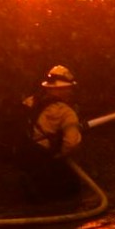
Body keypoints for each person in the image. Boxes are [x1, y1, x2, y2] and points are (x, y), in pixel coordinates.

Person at [19, 65, 85, 201]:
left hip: (23, 153)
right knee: (73, 185)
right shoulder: (66, 112)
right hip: (45, 158)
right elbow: (71, 144)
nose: (70, 92)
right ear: (61, 89)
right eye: (68, 88)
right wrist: (60, 156)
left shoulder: (29, 101)